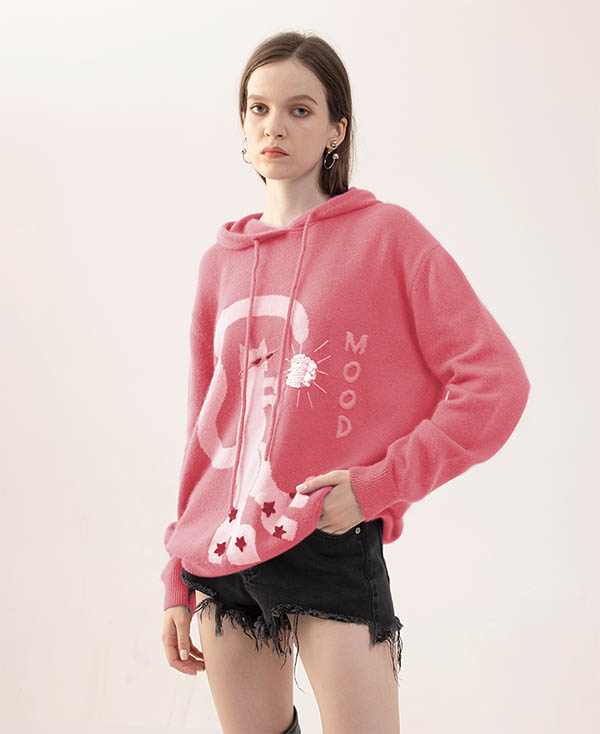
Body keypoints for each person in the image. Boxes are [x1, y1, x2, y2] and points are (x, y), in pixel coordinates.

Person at [160, 30, 531, 734]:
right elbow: (205, 433)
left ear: (337, 128)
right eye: (259, 108)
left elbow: (496, 384)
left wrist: (378, 485)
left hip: (326, 538)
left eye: (299, 110)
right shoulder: (220, 263)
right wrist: (175, 576)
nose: (274, 126)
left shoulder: (387, 236)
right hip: (222, 557)